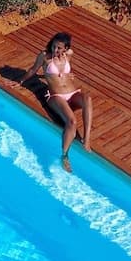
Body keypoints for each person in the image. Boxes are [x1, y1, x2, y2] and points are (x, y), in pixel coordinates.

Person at [12, 32, 93, 172]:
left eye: (59, 48)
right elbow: (33, 70)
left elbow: (63, 72)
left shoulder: (69, 54)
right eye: (54, 46)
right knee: (72, 122)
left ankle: (86, 139)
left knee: (88, 99)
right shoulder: (44, 56)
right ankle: (64, 155)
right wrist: (20, 81)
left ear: (66, 48)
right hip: (56, 96)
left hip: (72, 93)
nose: (55, 50)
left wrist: (66, 74)